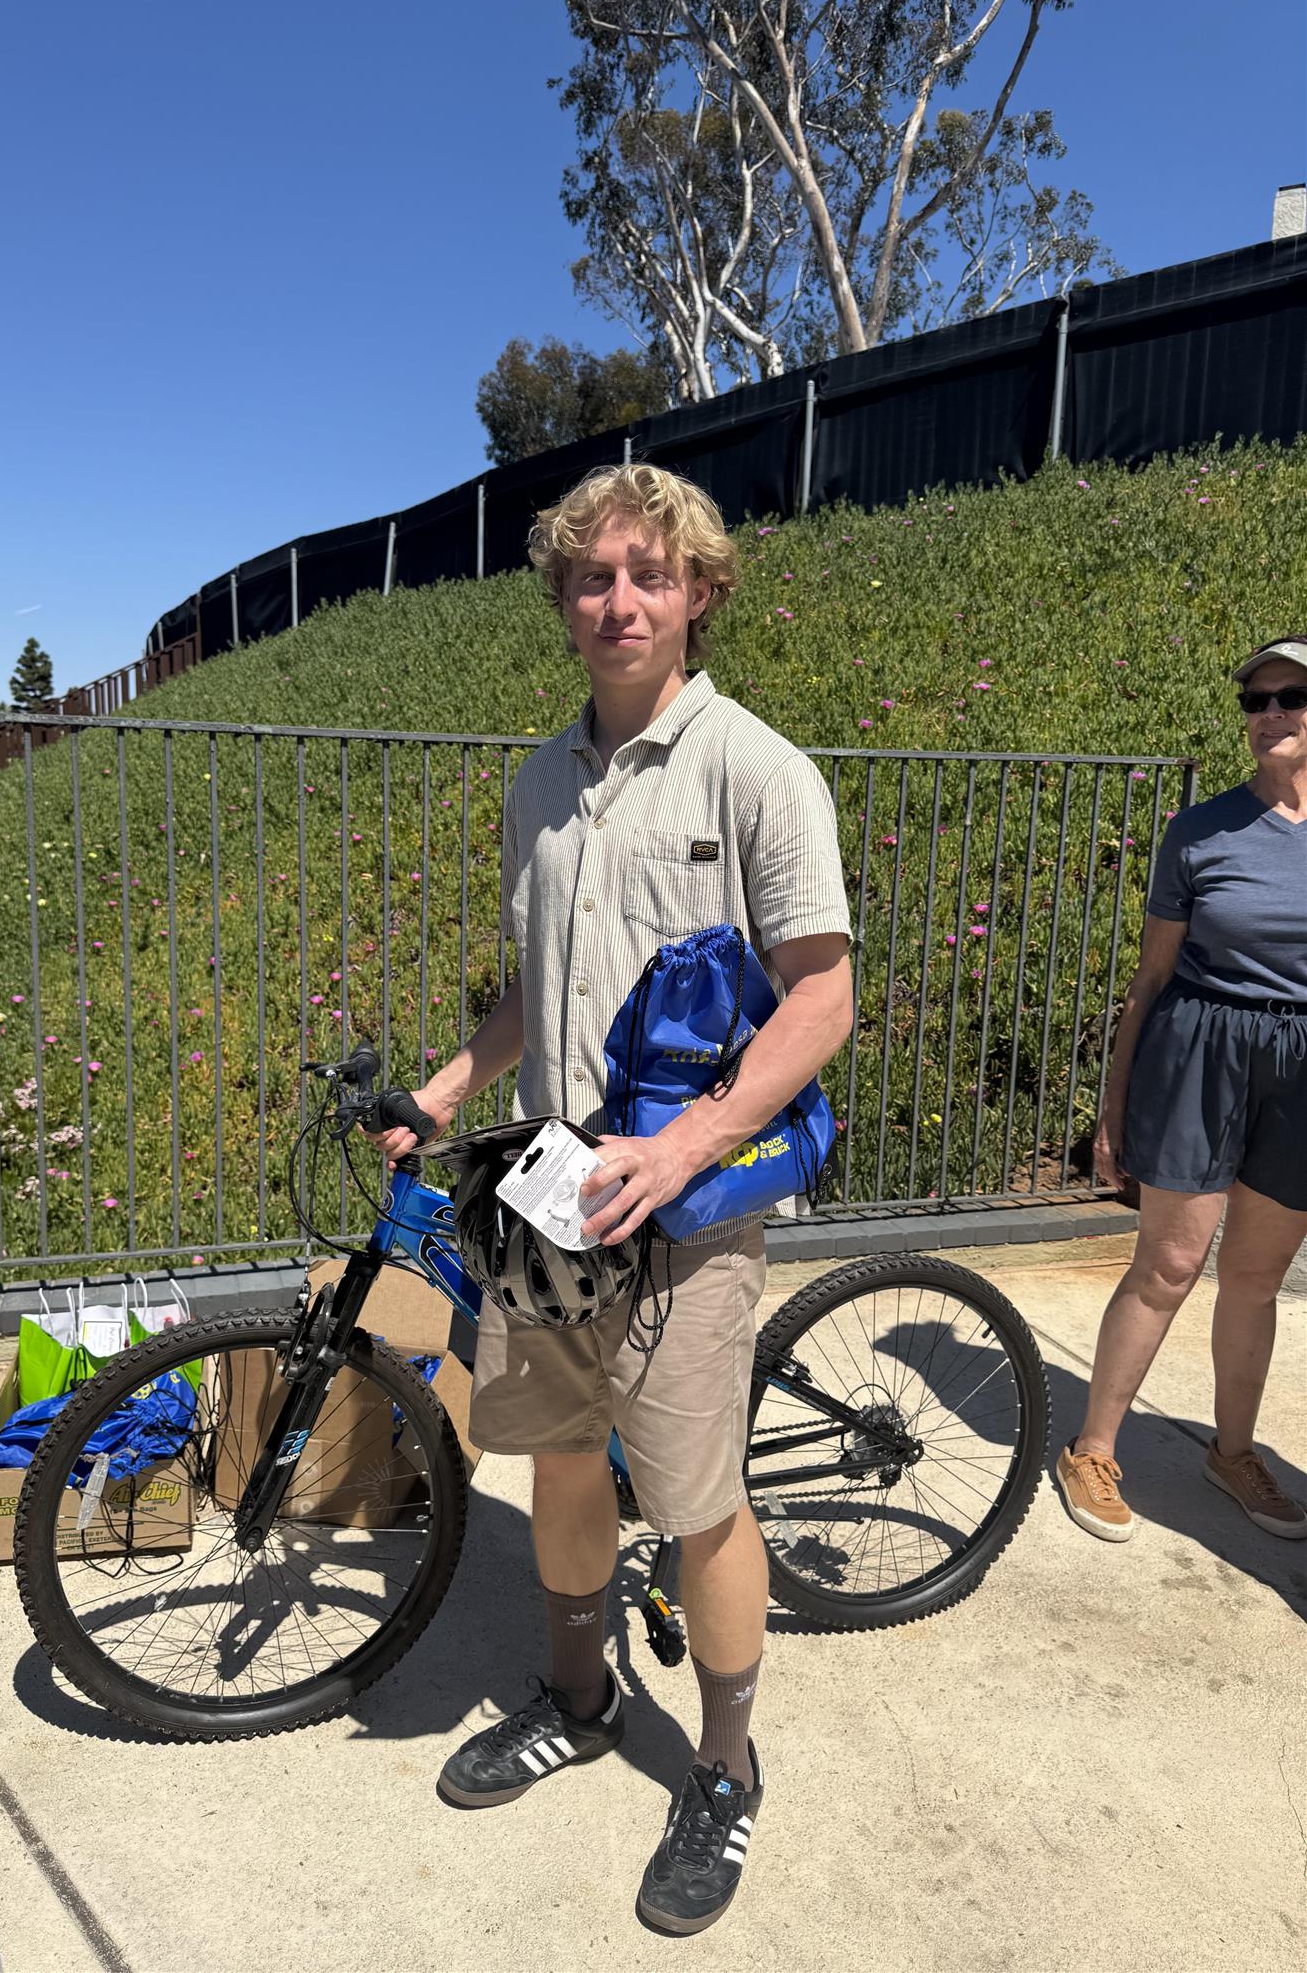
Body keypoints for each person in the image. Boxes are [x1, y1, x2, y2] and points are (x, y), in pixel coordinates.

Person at [371, 462, 852, 1933]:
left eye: (651, 574)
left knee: (700, 1507)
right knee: (563, 1465)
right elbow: (537, 990)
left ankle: (724, 1767)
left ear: (699, 593)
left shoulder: (758, 771)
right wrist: (448, 1088)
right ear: (564, 600)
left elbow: (820, 1000)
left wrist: (691, 1145)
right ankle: (578, 1700)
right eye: (594, 577)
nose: (620, 601)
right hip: (547, 1197)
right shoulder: (539, 783)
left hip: (686, 1215)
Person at [1057, 637, 1307, 1543]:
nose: (1268, 713)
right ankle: (1091, 1449)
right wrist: (1112, 1110)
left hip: (1299, 1067)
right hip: (1200, 1048)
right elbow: (1150, 979)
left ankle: (1231, 1455)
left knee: (1255, 1276)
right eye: (1254, 700)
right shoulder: (1199, 831)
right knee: (1167, 1266)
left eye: (1289, 696)